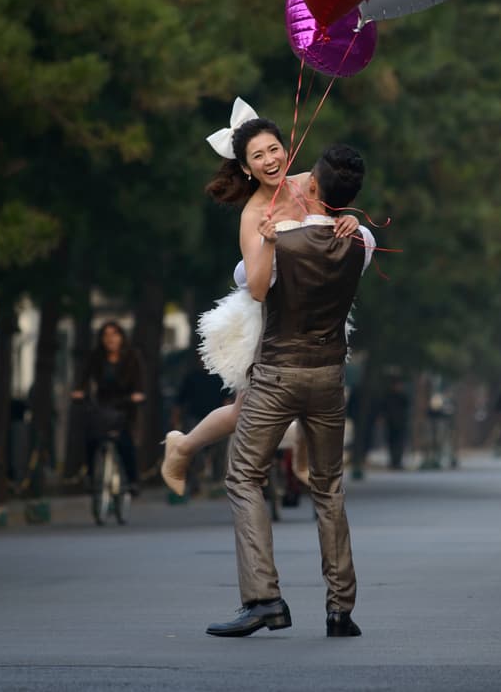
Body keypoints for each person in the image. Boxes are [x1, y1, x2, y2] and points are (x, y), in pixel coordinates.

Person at [207, 143, 374, 639]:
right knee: (329, 487)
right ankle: (341, 608)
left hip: (278, 375)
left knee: (242, 476)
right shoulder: (361, 241)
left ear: (314, 186)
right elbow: (356, 229)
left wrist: (271, 235)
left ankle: (264, 599)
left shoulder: (279, 241)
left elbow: (246, 281)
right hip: (329, 378)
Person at [160, 99, 358, 496]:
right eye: (257, 156)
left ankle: (303, 456)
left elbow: (333, 220)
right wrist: (269, 241)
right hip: (270, 317)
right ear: (247, 168)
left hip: (315, 305)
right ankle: (183, 446)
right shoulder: (253, 215)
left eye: (273, 149)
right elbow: (255, 285)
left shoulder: (309, 183)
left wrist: (350, 217)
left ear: (286, 148)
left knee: (323, 387)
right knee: (244, 409)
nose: (269, 160)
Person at [71, 321, 145, 494]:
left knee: (125, 442)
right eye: (106, 335)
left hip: (126, 404)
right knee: (92, 438)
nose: (110, 339)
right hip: (103, 404)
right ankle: (91, 476)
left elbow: (140, 380)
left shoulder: (132, 356)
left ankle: (133, 480)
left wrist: (138, 394)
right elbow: (85, 375)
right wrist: (79, 391)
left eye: (114, 334)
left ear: (121, 337)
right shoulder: (96, 356)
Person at [170, 356, 227, 494]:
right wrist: (175, 418)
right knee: (194, 451)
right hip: (195, 418)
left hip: (217, 419)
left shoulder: (220, 377)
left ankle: (217, 481)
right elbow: (180, 400)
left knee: (220, 450)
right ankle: (195, 482)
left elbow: (227, 400)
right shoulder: (191, 378)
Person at [376, 377, 410, 470]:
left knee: (400, 443)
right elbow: (383, 408)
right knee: (391, 442)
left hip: (400, 423)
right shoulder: (388, 396)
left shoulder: (403, 396)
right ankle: (393, 461)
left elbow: (407, 408)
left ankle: (398, 461)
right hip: (390, 422)